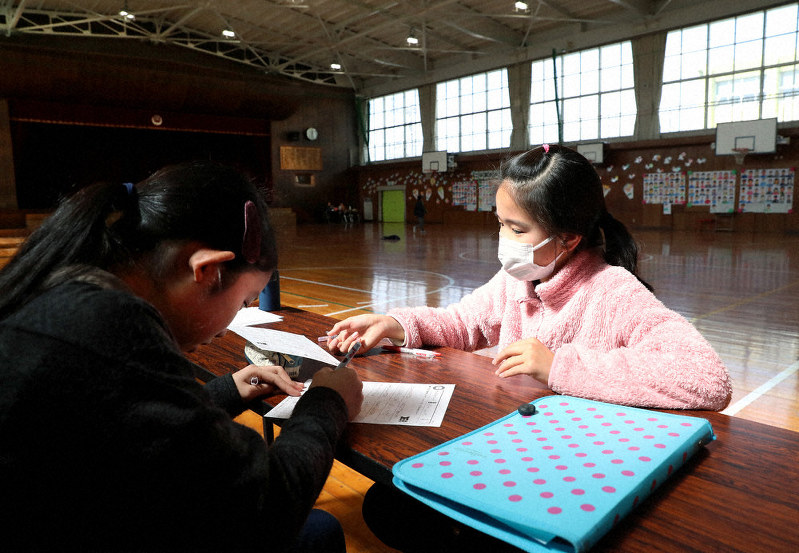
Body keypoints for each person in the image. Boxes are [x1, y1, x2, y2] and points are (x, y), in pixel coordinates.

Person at [326, 144, 732, 552]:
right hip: (512, 453)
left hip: (572, 472)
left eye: (517, 230)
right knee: (387, 504)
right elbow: (463, 323)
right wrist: (395, 324)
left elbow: (707, 377)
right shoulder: (516, 279)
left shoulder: (613, 290)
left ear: (569, 238)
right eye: (500, 224)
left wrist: (560, 366)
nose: (504, 239)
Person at [0, 161, 363, 552]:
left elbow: (131, 431)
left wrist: (223, 392)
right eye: (243, 301)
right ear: (206, 270)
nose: (228, 327)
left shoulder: (63, 291)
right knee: (317, 533)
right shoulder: (112, 327)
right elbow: (266, 508)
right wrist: (327, 403)